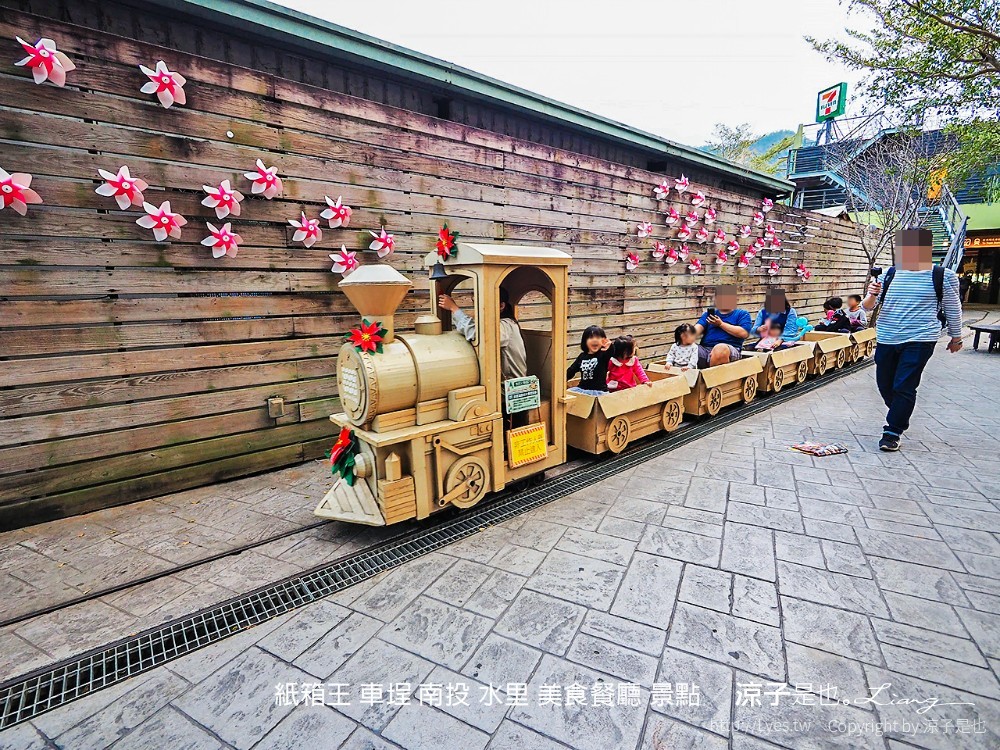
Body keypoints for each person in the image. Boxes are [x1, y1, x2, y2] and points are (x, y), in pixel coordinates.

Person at [861, 228, 963, 452]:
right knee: (885, 384)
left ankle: (892, 431)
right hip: (887, 338)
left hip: (920, 339)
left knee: (904, 385)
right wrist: (871, 293)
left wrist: (956, 336)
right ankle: (899, 411)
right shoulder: (889, 274)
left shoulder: (942, 276)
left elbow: (953, 308)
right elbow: (867, 308)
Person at [438, 287, 527, 381]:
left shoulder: (506, 325)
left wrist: (454, 308)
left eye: (483, 303)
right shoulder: (494, 323)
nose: (479, 307)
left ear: (501, 306)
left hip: (510, 388)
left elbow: (478, 334)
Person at [694, 284, 752, 367]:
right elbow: (697, 329)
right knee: (684, 347)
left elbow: (744, 333)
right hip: (706, 350)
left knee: (720, 349)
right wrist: (686, 334)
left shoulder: (742, 314)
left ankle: (711, 378)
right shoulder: (709, 314)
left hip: (729, 350)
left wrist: (721, 324)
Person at [567, 325, 613, 396]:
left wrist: (610, 347)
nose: (594, 340)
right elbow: (571, 371)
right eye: (591, 337)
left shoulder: (603, 355)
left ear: (603, 341)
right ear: (585, 341)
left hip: (599, 392)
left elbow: (611, 353)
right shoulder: (582, 356)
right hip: (582, 389)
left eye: (598, 337)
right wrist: (561, 381)